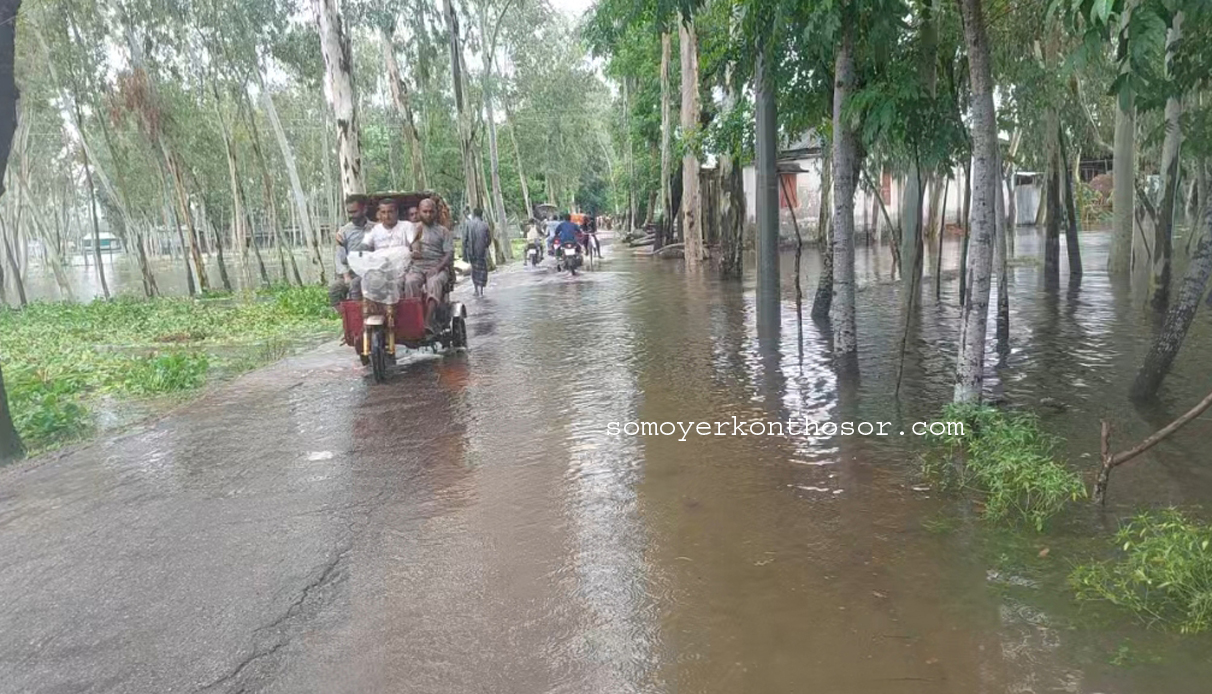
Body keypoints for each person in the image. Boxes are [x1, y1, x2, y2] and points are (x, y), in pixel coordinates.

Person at [404, 198, 455, 330]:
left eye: (431, 212)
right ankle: (414, 320)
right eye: (425, 211)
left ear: (436, 212)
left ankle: (428, 321)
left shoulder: (443, 231)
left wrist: (438, 268)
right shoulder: (412, 230)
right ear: (419, 212)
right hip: (417, 267)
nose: (428, 215)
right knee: (409, 282)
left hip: (437, 266)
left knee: (434, 282)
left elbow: (449, 254)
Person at [329, 195, 371, 307]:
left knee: (356, 285)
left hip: (371, 271)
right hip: (351, 273)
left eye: (355, 212)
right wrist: (346, 276)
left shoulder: (375, 228)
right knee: (335, 289)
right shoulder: (344, 232)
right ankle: (345, 315)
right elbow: (339, 257)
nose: (352, 215)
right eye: (349, 212)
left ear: (364, 209)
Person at [462, 208, 493, 297]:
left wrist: (464, 253)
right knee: (482, 271)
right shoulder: (485, 225)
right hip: (481, 252)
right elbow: (489, 239)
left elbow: (464, 240)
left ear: (474, 214)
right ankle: (481, 290)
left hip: (471, 252)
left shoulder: (468, 224)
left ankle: (476, 289)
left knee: (474, 270)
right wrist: (485, 246)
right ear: (481, 215)